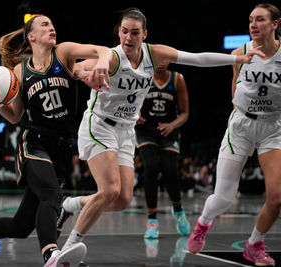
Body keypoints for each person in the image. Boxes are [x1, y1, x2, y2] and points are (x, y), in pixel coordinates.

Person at [60, 7, 264, 260]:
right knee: (110, 190)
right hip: (100, 126)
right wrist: (83, 74)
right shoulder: (112, 58)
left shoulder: (154, 54)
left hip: (126, 131)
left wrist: (236, 60)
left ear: (144, 34)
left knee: (122, 200)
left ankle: (69, 204)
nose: (128, 38)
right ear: (119, 32)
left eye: (134, 32)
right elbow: (77, 67)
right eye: (124, 31)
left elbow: (197, 58)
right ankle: (68, 246)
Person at [0, 15, 113, 267]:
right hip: (34, 142)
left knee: (20, 227)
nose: (52, 27)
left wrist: (103, 62)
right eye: (44, 25)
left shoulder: (63, 53)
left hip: (61, 147)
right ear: (30, 36)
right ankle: (51, 255)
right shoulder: (20, 71)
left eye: (52, 24)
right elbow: (15, 115)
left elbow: (103, 50)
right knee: (53, 195)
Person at [187, 3, 281, 267]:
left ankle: (254, 245)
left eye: (260, 20)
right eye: (251, 19)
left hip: (273, 128)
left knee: (277, 198)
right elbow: (235, 81)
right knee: (224, 198)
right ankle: (204, 223)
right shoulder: (239, 52)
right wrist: (236, 105)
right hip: (241, 127)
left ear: (275, 24)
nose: (253, 24)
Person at [134, 60, 190, 239]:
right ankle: (152, 221)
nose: (160, 62)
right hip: (146, 131)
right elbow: (131, 103)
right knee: (151, 167)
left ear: (170, 61)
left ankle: (178, 210)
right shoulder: (143, 76)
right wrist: (137, 115)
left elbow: (184, 113)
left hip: (169, 131)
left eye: (164, 58)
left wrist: (172, 125)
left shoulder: (177, 79)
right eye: (157, 58)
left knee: (169, 171)